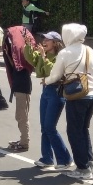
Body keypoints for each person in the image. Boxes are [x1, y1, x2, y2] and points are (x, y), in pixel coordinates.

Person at [45, 23, 93, 180]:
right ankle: (90, 162)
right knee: (84, 129)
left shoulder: (65, 53)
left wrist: (46, 80)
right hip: (92, 95)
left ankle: (83, 168)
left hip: (77, 95)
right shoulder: (90, 51)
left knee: (74, 131)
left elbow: (55, 75)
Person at [28, 31, 71, 169]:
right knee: (44, 127)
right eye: (44, 39)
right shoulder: (45, 54)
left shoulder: (60, 57)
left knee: (49, 127)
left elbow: (53, 73)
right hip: (46, 91)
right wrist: (28, 45)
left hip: (56, 92)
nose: (44, 41)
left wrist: (43, 56)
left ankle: (65, 159)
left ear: (55, 43)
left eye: (48, 39)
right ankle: (47, 158)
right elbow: (33, 63)